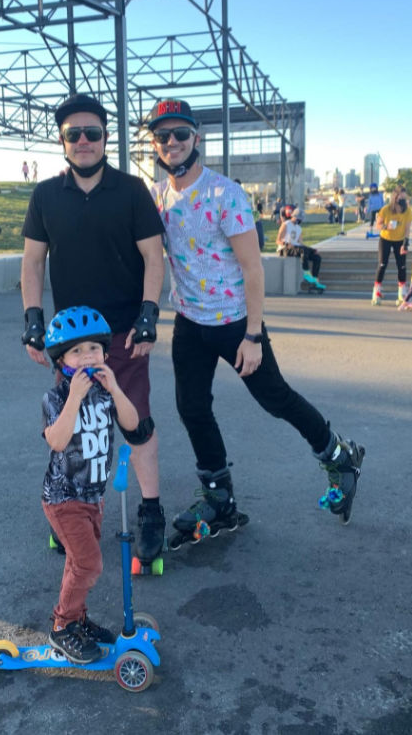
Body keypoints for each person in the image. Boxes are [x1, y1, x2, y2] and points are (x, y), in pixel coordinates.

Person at [146, 98, 366, 539]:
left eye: (181, 134)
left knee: (275, 398)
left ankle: (339, 456)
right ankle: (219, 499)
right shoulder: (157, 195)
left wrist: (252, 336)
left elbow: (252, 269)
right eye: (163, 135)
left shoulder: (224, 193)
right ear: (154, 142)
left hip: (234, 322)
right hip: (190, 321)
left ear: (196, 138)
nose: (172, 142)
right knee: (191, 408)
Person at [20, 93, 166, 565]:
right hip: (72, 342)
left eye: (93, 133)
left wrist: (148, 315)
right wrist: (32, 319)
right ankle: (71, 512)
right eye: (73, 134)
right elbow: (32, 261)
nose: (84, 142)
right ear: (63, 141)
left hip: (123, 333)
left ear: (106, 138)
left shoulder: (131, 191)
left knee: (135, 423)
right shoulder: (45, 195)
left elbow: (152, 257)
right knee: (78, 427)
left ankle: (151, 511)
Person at [41, 306, 139, 663]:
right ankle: (62, 627)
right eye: (76, 351)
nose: (87, 357)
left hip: (93, 498)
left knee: (77, 564)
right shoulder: (55, 398)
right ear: (62, 360)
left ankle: (77, 618)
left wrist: (114, 387)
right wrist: (74, 398)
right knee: (89, 564)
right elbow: (56, 440)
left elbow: (132, 423)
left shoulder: (105, 392)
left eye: (93, 349)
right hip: (64, 498)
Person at [371, 185, 412, 305]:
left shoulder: (407, 211)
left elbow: (407, 228)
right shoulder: (386, 209)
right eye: (401, 197)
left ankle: (402, 292)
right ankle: (376, 290)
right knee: (382, 264)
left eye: (404, 198)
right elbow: (378, 225)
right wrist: (386, 226)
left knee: (402, 266)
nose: (403, 200)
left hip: (399, 240)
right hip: (386, 239)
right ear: (395, 197)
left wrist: (405, 243)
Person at [276, 207, 325, 289]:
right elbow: (277, 240)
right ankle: (306, 273)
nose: (299, 221)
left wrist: (312, 250)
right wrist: (286, 244)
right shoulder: (285, 224)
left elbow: (300, 243)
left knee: (317, 257)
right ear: (293, 216)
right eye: (298, 219)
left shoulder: (299, 228)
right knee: (302, 251)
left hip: (296, 248)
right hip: (284, 249)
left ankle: (315, 280)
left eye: (300, 219)